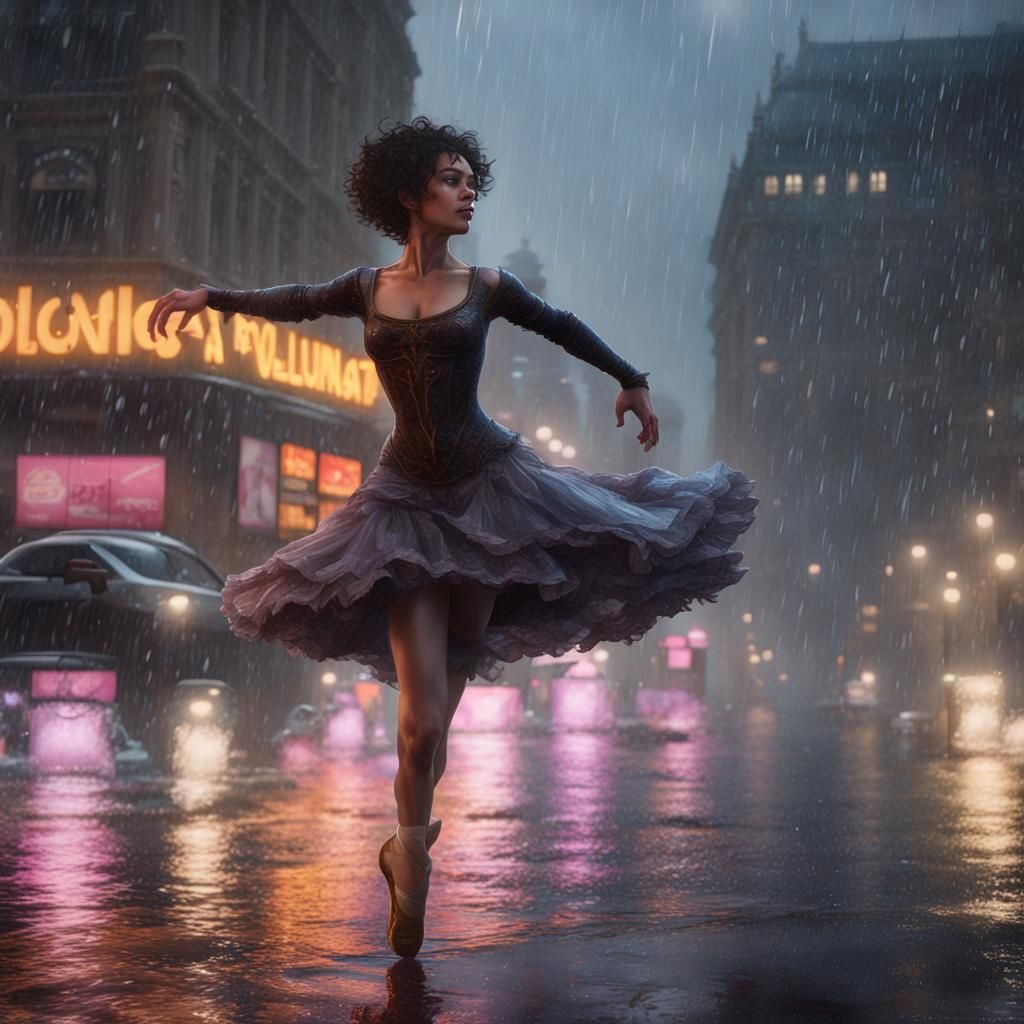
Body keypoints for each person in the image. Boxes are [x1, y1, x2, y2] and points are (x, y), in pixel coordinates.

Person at [147, 116, 757, 958]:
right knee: (421, 722)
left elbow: (561, 323)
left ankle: (409, 835)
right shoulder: (365, 287)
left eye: (473, 179)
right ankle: (411, 857)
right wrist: (207, 297)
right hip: (401, 508)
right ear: (409, 193)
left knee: (459, 670)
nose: (469, 190)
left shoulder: (490, 286)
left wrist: (633, 380)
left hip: (490, 498)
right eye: (452, 177)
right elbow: (289, 303)